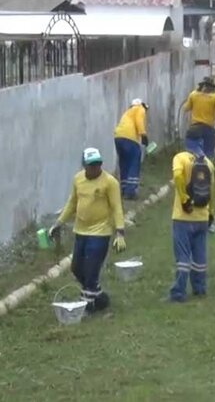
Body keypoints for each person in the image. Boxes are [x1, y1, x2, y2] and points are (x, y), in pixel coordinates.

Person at [48, 147, 127, 314]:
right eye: (91, 165)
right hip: (81, 230)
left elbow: (117, 207)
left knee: (91, 269)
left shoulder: (109, 182)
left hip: (101, 231)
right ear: (84, 166)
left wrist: (120, 232)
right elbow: (72, 203)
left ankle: (87, 305)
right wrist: (59, 223)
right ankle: (98, 295)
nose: (94, 168)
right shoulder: (78, 180)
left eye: (97, 164)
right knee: (77, 268)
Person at [169, 138, 215, 303]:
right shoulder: (209, 163)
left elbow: (177, 176)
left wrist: (184, 198)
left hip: (183, 217)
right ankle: (200, 288)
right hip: (202, 217)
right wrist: (211, 214)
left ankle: (178, 292)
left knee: (182, 257)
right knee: (200, 256)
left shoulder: (180, 158)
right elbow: (212, 191)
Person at [181, 77, 215, 158]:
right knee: (208, 155)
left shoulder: (193, 95)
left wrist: (192, 100)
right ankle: (206, 167)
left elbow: (186, 108)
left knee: (192, 153)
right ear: (212, 87)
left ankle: (193, 167)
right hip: (208, 130)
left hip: (194, 128)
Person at [113, 98, 149, 199]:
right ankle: (130, 191)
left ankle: (124, 188)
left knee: (124, 162)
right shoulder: (139, 109)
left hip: (118, 137)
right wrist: (143, 135)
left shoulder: (127, 112)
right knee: (134, 161)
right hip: (129, 138)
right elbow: (139, 120)